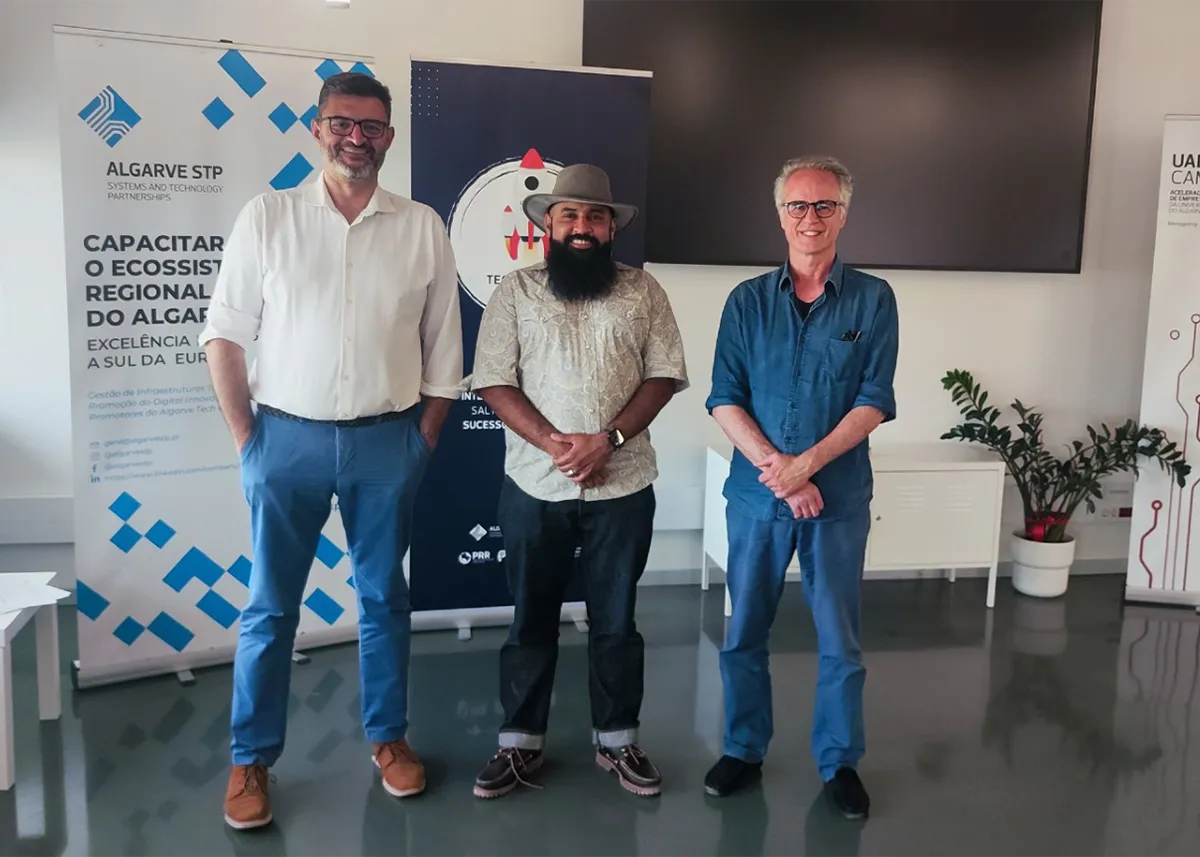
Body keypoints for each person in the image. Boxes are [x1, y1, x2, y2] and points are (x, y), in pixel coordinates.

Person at [200, 71, 464, 830]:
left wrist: (421, 440)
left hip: (389, 440)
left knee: (384, 600)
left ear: (389, 135)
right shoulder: (268, 216)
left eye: (373, 126)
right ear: (317, 129)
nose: (358, 136)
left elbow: (444, 348)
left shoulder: (421, 228)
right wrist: (250, 440)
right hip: (284, 439)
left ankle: (388, 739)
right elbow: (223, 334)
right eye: (342, 123)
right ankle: (251, 758)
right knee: (269, 607)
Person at [468, 164, 688, 799]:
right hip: (535, 483)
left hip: (623, 485)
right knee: (530, 618)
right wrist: (554, 445)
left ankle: (617, 740)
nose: (583, 227)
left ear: (611, 227)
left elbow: (663, 375)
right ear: (549, 226)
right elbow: (493, 379)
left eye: (595, 217)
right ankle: (519, 745)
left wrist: (608, 440)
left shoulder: (643, 291)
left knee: (616, 620)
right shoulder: (516, 291)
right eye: (571, 216)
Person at [702, 155, 899, 819]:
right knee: (743, 631)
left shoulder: (874, 300)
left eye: (823, 206)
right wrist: (780, 473)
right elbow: (723, 398)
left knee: (840, 639)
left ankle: (840, 761)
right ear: (778, 212)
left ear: (844, 212)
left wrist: (805, 466)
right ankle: (742, 747)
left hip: (837, 501)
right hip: (757, 499)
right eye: (797, 205)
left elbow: (873, 400)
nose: (809, 218)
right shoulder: (746, 302)